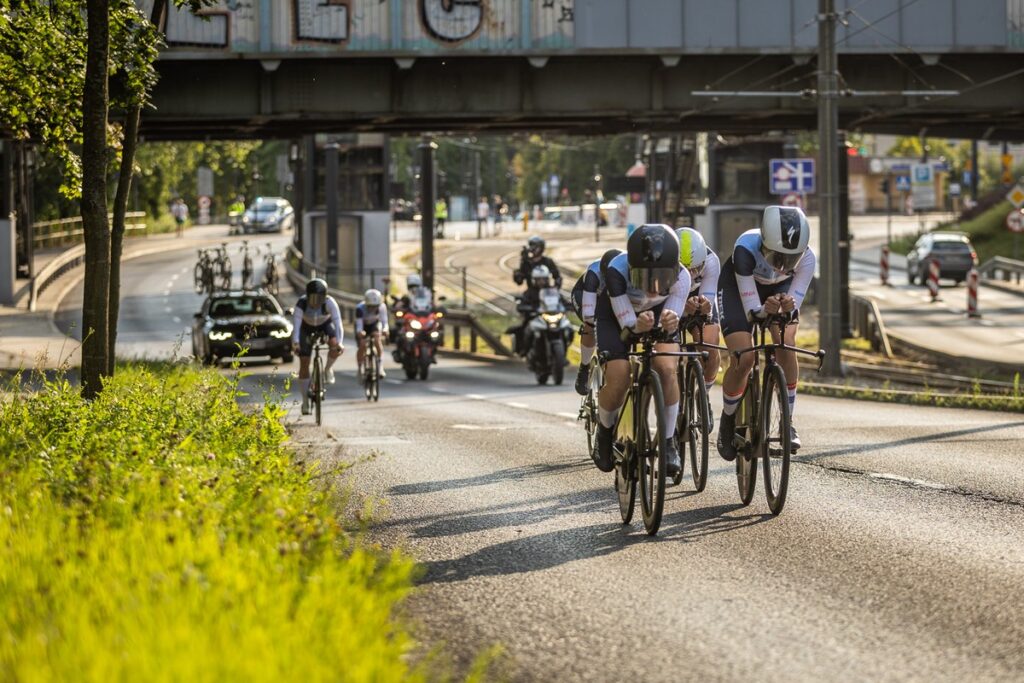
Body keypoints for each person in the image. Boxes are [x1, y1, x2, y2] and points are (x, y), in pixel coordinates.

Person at [716, 206, 815, 460]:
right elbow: (753, 313)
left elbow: (792, 308)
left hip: (779, 289)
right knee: (744, 358)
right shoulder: (744, 250)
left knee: (786, 341)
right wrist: (763, 310)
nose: (782, 266)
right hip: (739, 288)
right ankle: (728, 419)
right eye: (776, 257)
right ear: (763, 244)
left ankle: (787, 421)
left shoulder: (807, 258)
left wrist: (787, 307)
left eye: (790, 260)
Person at [593, 225, 691, 478]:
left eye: (662, 278)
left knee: (667, 368)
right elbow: (627, 326)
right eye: (644, 278)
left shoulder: (683, 277)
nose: (653, 287)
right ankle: (605, 430)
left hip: (657, 312)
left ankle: (668, 441)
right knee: (619, 375)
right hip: (615, 316)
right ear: (631, 269)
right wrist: (636, 326)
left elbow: (672, 316)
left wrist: (669, 322)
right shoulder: (616, 271)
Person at [676, 227, 721, 427]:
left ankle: (703, 394)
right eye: (685, 270)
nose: (691, 276)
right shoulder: (664, 262)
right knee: (667, 354)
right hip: (671, 299)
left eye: (696, 270)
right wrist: (681, 307)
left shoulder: (711, 261)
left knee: (710, 345)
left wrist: (704, 307)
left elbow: (708, 300)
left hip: (696, 299)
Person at [570, 248, 623, 395]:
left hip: (610, 296)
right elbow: (588, 313)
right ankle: (584, 366)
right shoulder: (594, 273)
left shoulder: (624, 269)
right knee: (591, 323)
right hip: (585, 294)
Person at [291, 278, 344, 415]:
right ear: (307, 296)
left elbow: (338, 324)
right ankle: (305, 401)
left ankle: (327, 369)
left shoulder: (330, 302)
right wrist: (296, 342)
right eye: (312, 298)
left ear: (325, 297)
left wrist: (339, 342)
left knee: (335, 346)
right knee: (304, 362)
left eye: (319, 299)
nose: (315, 302)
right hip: (306, 328)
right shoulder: (301, 303)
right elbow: (296, 325)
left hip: (324, 325)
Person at [355, 288, 388, 381]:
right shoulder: (360, 308)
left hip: (374, 324)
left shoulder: (382, 307)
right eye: (370, 306)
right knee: (362, 344)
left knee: (377, 339)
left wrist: (385, 330)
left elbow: (384, 321)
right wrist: (360, 332)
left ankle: (380, 366)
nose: (373, 309)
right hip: (363, 325)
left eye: (375, 306)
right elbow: (359, 325)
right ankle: (360, 367)